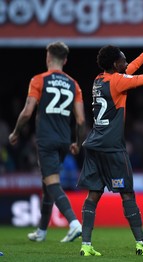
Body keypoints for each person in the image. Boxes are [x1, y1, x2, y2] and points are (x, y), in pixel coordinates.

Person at [76, 33, 143, 257]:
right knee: (127, 193)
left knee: (93, 194)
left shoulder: (99, 80)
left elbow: (126, 73)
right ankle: (141, 244)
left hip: (94, 144)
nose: (126, 63)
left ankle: (86, 245)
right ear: (114, 64)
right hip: (112, 147)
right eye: (123, 60)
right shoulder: (118, 81)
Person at [8, 41, 85, 243]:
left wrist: (16, 132)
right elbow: (81, 120)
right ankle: (41, 231)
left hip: (46, 139)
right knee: (47, 184)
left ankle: (75, 223)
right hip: (64, 141)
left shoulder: (39, 80)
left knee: (52, 183)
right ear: (65, 60)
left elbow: (27, 112)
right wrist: (78, 142)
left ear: (48, 57)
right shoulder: (74, 84)